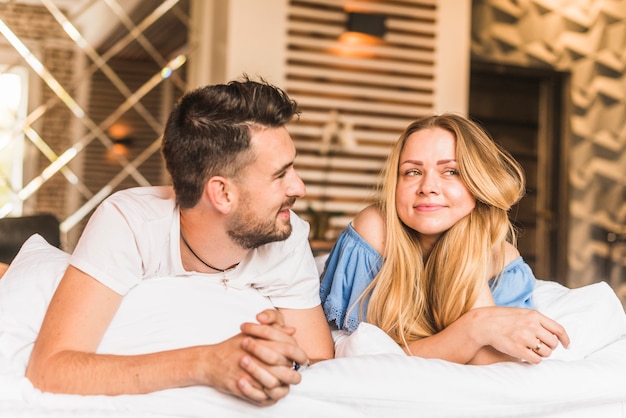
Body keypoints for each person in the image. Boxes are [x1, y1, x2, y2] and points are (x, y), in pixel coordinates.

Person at [25, 77, 334, 405]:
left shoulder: (285, 233)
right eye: (280, 174)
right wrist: (205, 363)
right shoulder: (131, 223)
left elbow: (318, 359)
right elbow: (51, 369)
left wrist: (275, 351)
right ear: (222, 193)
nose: (299, 188)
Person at [320, 113, 570, 365]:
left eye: (451, 171)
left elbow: (494, 369)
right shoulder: (376, 229)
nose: (427, 187)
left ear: (477, 182)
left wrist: (475, 253)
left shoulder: (503, 261)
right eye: (412, 171)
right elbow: (371, 358)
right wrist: (475, 327)